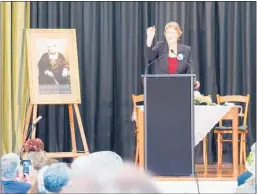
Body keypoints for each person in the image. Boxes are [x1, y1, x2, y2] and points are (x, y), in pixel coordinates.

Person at [145, 22, 200, 89]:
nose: (170, 35)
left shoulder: (186, 50)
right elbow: (150, 56)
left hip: (180, 89)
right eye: (168, 32)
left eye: (173, 33)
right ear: (165, 34)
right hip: (161, 88)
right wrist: (149, 40)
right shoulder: (160, 47)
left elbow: (190, 70)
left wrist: (194, 81)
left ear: (178, 34)